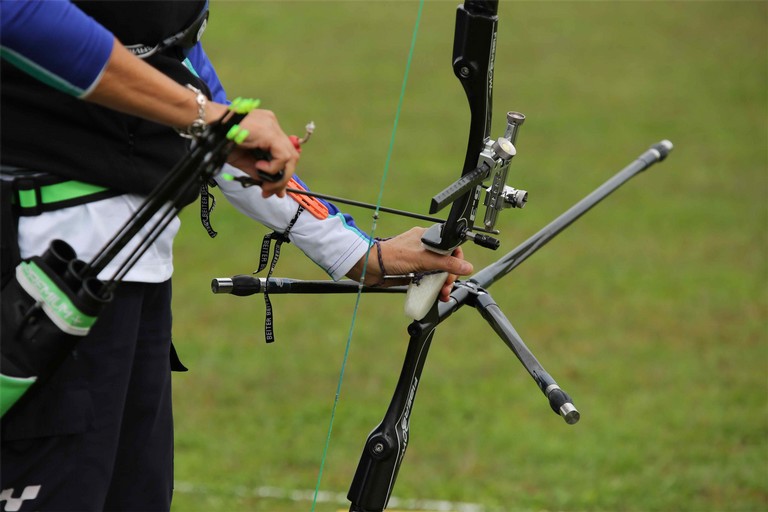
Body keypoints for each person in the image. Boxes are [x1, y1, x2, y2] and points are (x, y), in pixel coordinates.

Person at [0, 1, 472, 510]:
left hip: (130, 276)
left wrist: (359, 253)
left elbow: (196, 91)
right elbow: (20, 14)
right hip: (42, 277)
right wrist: (207, 117)